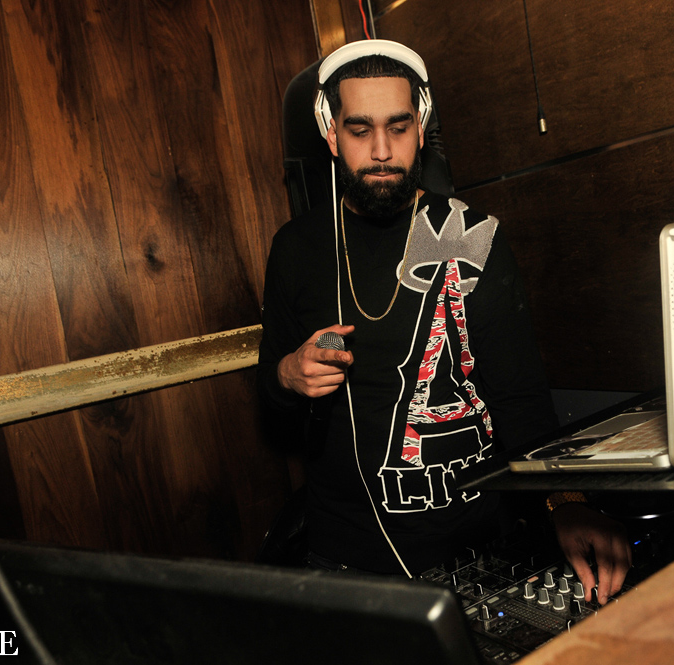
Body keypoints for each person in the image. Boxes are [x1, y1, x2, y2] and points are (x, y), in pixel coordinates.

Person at [257, 40, 629, 602]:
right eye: (359, 130)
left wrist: (567, 504)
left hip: (480, 549)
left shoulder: (474, 236)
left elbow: (520, 396)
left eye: (398, 126)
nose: (382, 150)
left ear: (421, 127)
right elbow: (271, 401)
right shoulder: (295, 250)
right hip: (346, 561)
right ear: (331, 134)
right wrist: (289, 374)